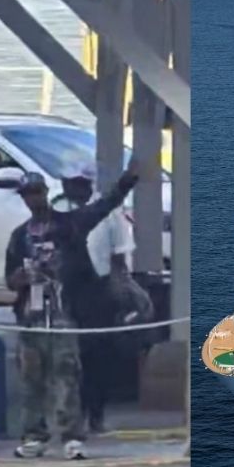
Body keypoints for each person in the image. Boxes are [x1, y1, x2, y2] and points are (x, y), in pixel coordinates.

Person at [4, 161, 138, 460]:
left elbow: (103, 206)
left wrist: (126, 183)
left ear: (45, 193)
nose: (32, 199)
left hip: (64, 310)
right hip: (31, 315)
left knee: (66, 373)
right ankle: (34, 436)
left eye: (36, 192)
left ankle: (71, 436)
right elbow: (9, 279)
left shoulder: (69, 224)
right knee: (32, 378)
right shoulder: (19, 236)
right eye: (27, 194)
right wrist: (24, 277)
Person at [51, 163, 136, 434]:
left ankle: (95, 413)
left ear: (88, 184)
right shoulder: (57, 212)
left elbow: (119, 258)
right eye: (67, 182)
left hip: (98, 290)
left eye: (77, 182)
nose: (71, 188)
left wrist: (122, 293)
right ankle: (70, 416)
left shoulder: (107, 215)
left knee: (97, 356)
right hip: (67, 289)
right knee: (67, 357)